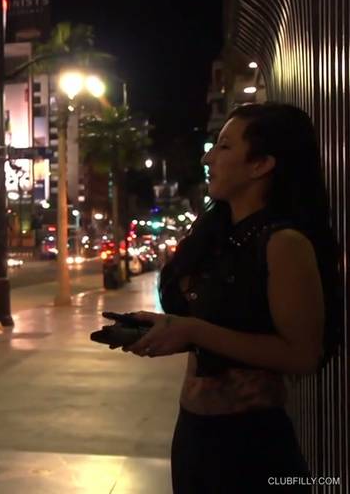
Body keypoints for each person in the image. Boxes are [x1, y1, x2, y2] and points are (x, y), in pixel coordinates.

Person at [115, 103, 342, 493]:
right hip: (193, 434)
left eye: (224, 147)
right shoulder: (219, 237)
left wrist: (193, 330)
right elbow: (221, 329)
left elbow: (302, 354)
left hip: (250, 447)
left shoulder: (284, 243)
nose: (208, 159)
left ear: (261, 165)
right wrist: (166, 331)